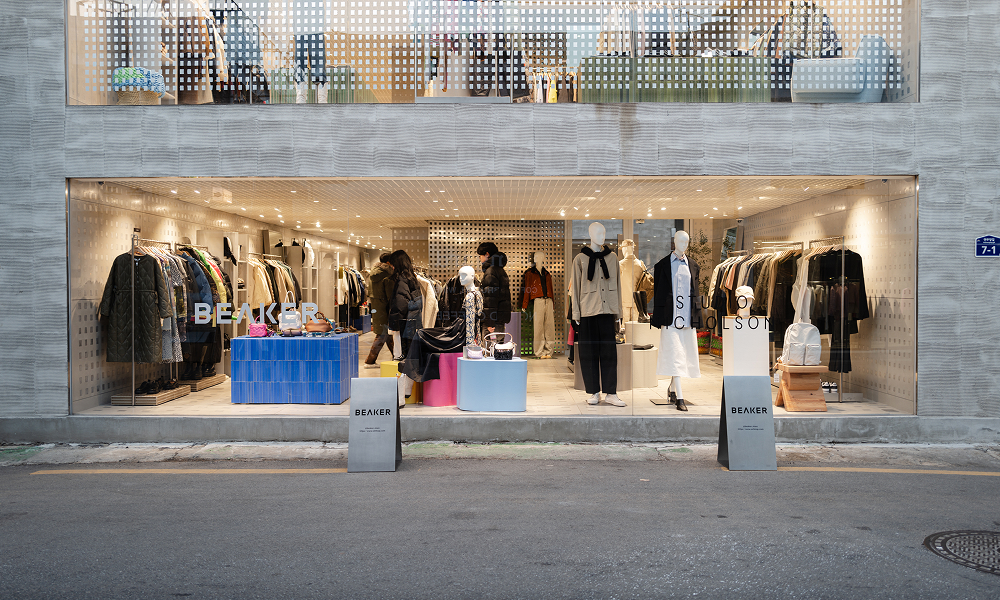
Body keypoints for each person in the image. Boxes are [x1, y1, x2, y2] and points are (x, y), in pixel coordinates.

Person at [363, 253, 394, 368]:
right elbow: (390, 295)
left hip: (377, 308)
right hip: (385, 308)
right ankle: (369, 361)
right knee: (382, 334)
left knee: (386, 334)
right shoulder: (387, 274)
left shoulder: (373, 273)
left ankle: (396, 357)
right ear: (388, 262)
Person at [477, 241, 511, 340]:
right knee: (497, 352)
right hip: (499, 321)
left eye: (480, 255)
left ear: (487, 254)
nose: (480, 258)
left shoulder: (490, 271)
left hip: (492, 324)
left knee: (489, 352)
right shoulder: (500, 270)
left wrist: (489, 322)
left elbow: (490, 299)